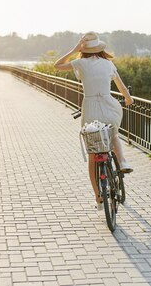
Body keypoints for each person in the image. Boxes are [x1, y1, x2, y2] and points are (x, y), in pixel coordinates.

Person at [54, 32, 134, 208]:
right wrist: (128, 99)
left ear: (84, 49)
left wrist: (74, 50)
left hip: (90, 109)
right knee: (113, 135)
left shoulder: (80, 63)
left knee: (93, 154)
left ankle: (98, 196)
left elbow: (57, 65)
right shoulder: (108, 64)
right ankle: (122, 162)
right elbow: (121, 87)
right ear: (100, 48)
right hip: (109, 107)